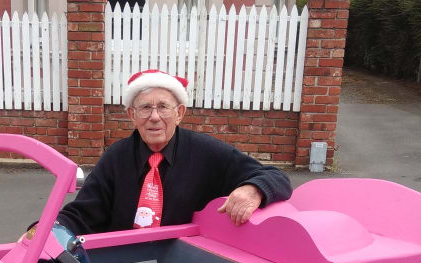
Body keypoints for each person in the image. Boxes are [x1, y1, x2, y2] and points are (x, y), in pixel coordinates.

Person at [53, 69, 293, 236]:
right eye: (145, 108)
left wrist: (253, 190)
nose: (154, 117)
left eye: (163, 107)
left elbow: (276, 177)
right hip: (121, 260)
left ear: (179, 113)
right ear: (132, 115)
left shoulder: (205, 152)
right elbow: (82, 214)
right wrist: (47, 231)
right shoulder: (116, 157)